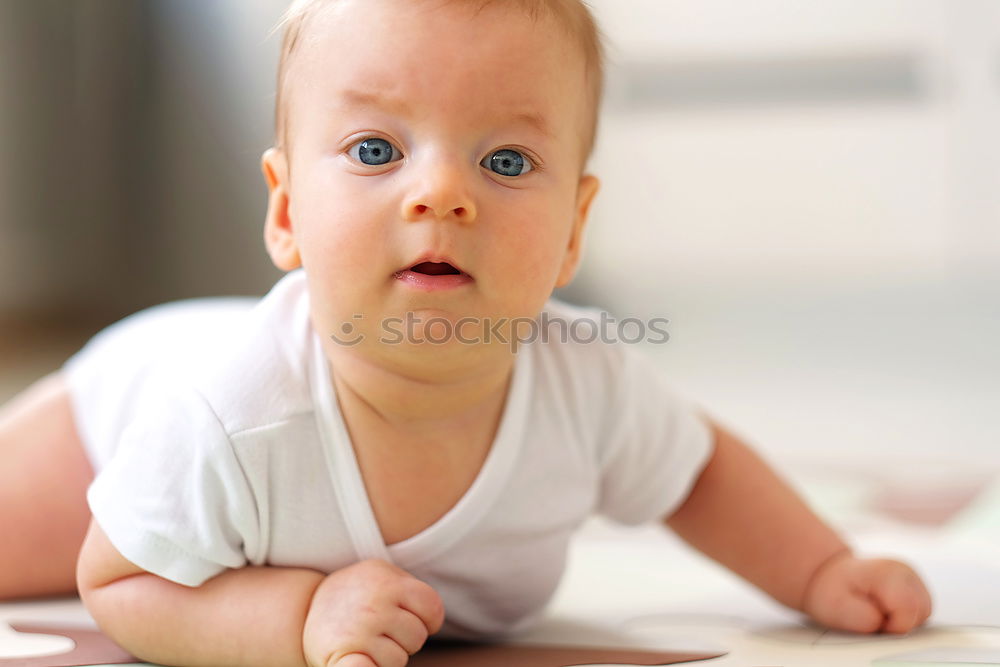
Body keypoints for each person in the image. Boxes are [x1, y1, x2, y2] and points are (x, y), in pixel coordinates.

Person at [0, 0, 933, 665]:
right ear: (285, 211)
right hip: (112, 418)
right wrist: (299, 617)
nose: (441, 192)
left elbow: (699, 471)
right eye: (376, 151)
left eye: (506, 159)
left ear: (573, 228)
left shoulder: (586, 383)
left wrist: (822, 568)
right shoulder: (227, 412)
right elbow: (116, 580)